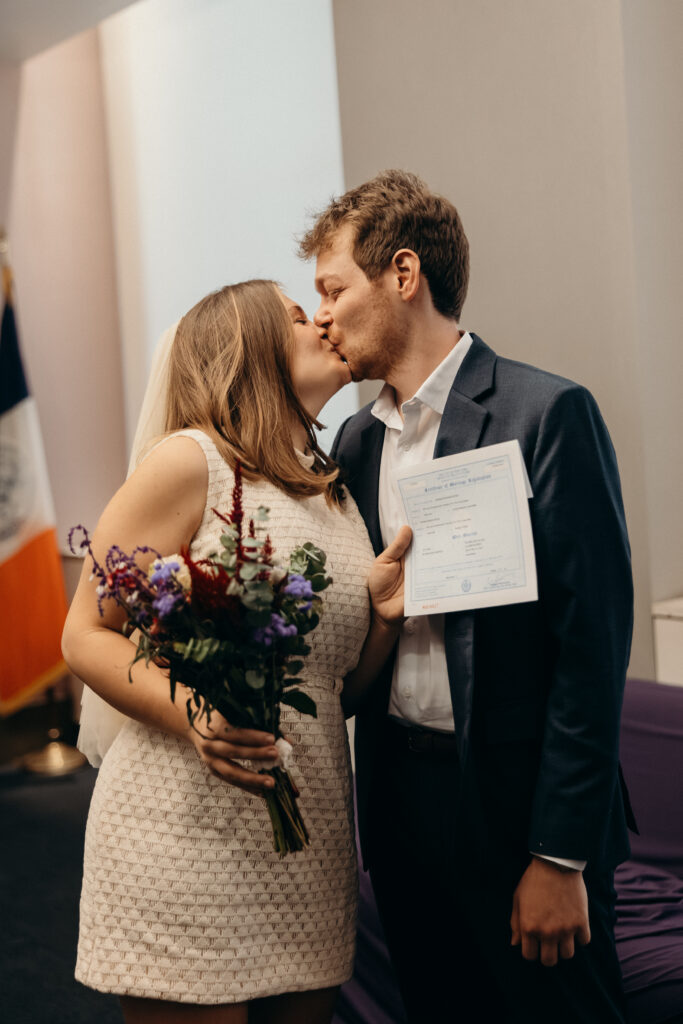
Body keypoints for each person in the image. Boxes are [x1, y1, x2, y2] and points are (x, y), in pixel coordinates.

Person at [295, 170, 635, 1023]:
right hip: (404, 807)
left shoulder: (544, 412)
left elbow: (590, 650)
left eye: (332, 288)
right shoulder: (356, 440)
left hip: (522, 807)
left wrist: (557, 858)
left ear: (402, 275)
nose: (323, 315)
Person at [62, 279, 411, 1024]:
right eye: (294, 316)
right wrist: (194, 711)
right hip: (184, 835)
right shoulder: (192, 463)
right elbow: (83, 634)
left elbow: (335, 694)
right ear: (246, 349)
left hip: (306, 840)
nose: (320, 319)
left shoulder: (336, 495)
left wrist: (381, 622)